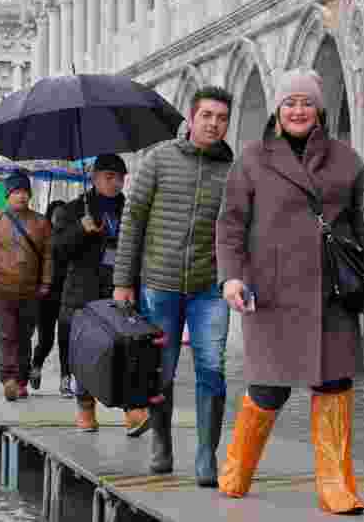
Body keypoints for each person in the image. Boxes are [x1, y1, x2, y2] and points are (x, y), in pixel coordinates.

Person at [216, 70, 364, 513]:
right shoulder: (251, 159)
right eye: (289, 103)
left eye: (306, 102)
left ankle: (336, 487)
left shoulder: (346, 160)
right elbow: (230, 225)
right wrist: (231, 276)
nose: (298, 110)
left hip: (332, 293)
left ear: (319, 109)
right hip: (271, 292)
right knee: (269, 389)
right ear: (277, 111)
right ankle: (237, 471)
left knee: (334, 386)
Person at [113, 86, 235, 487]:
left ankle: (205, 455)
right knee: (160, 374)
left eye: (221, 117)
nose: (214, 123)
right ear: (192, 117)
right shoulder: (159, 159)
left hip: (209, 287)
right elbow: (133, 221)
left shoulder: (233, 170)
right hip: (158, 284)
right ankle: (162, 443)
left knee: (212, 369)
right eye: (207, 116)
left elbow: (240, 229)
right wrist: (123, 282)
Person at [55, 154, 149, 435]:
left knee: (129, 349)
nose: (116, 183)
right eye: (109, 177)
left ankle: (132, 410)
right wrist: (79, 232)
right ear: (95, 178)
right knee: (87, 351)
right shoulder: (75, 210)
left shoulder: (132, 209)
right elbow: (59, 250)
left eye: (120, 178)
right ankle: (85, 406)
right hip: (84, 292)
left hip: (121, 288)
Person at [0, 171, 53, 402]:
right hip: (0, 289)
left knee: (25, 336)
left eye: (25, 192)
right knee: (7, 334)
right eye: (16, 192)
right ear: (8, 195)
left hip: (30, 290)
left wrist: (46, 282)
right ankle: (7, 378)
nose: (21, 196)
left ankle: (21, 379)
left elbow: (48, 256)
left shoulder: (41, 222)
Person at [33, 200, 69, 397]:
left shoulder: (73, 237)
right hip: (45, 296)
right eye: (56, 214)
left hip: (68, 296)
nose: (59, 218)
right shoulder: (42, 237)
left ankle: (65, 380)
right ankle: (36, 366)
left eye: (63, 214)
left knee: (66, 341)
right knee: (46, 340)